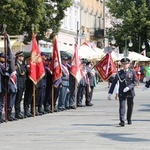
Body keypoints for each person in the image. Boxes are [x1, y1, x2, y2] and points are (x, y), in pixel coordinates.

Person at [108, 58, 137, 127]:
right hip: (122, 92)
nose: (124, 65)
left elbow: (135, 82)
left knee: (130, 106)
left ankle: (129, 119)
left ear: (129, 64)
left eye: (126, 64)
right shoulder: (119, 73)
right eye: (123, 64)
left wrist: (128, 87)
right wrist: (110, 92)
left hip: (130, 92)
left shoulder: (132, 72)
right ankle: (122, 121)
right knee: (122, 106)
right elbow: (114, 83)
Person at [15, 51, 26, 119]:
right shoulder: (17, 65)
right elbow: (17, 76)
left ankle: (19, 112)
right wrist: (18, 85)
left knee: (19, 99)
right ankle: (17, 113)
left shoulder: (22, 64)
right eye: (21, 56)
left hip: (22, 84)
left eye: (22, 56)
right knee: (17, 99)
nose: (22, 57)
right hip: (19, 84)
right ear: (18, 57)